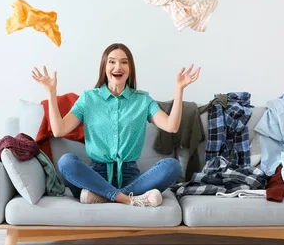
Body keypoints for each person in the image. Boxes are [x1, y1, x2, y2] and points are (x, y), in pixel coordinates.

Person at [32, 42, 201, 207]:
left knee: (172, 166)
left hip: (130, 176)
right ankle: (128, 199)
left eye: (124, 62)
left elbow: (171, 126)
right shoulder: (88, 98)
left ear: (130, 69)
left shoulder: (142, 100)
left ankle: (103, 197)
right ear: (104, 67)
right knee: (66, 162)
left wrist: (179, 90)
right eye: (111, 61)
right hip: (94, 176)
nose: (117, 66)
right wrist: (51, 93)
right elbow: (59, 130)